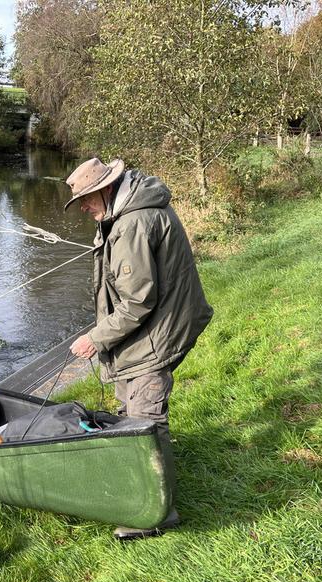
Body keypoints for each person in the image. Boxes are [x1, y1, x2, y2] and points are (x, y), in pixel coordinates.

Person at [64, 157, 213, 540]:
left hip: (158, 331)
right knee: (127, 409)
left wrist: (94, 338)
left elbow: (137, 303)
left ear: (106, 188)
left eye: (85, 198)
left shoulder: (131, 223)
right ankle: (134, 485)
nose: (82, 206)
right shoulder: (128, 211)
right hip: (152, 326)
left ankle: (156, 513)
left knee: (145, 421)